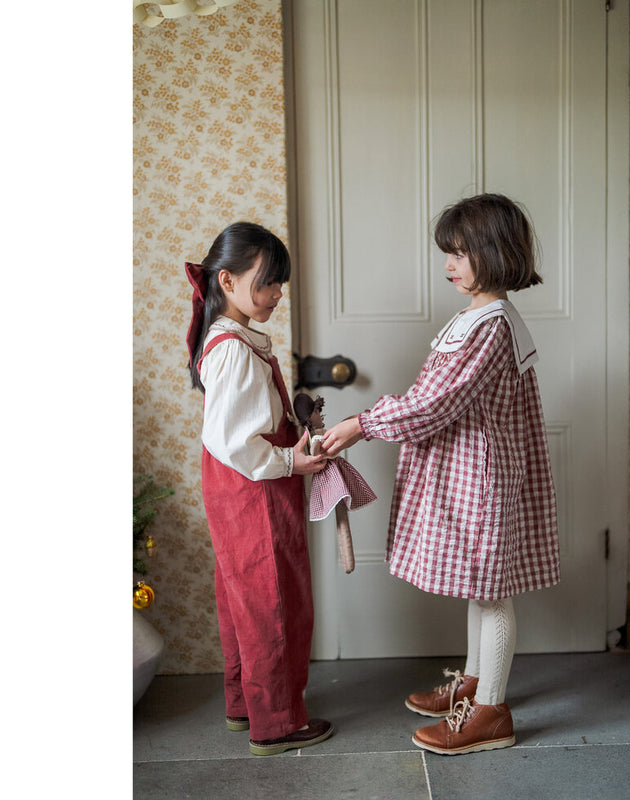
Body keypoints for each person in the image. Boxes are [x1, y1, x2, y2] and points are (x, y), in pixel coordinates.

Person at [321, 193, 560, 756]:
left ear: (494, 253)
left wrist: (364, 423)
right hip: (470, 473)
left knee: (491, 592)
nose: (449, 265)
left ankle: (491, 712)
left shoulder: (490, 327)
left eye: (460, 253)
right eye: (447, 253)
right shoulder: (474, 318)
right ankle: (476, 684)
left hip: (482, 479)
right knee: (480, 585)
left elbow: (436, 403)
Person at [185, 221, 333, 756]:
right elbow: (234, 440)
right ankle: (277, 723)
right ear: (227, 281)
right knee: (274, 601)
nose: (276, 294)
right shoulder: (234, 349)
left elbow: (240, 424)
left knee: (242, 597)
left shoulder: (233, 339)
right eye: (267, 283)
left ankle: (244, 704)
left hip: (238, 488)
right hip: (255, 490)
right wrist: (291, 459)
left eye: (279, 285)